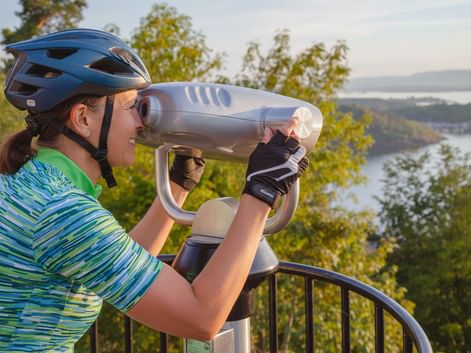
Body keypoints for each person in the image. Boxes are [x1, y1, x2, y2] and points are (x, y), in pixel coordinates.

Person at [0, 29, 308, 352]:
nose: (140, 122)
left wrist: (177, 186)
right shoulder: (63, 212)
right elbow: (201, 318)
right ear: (82, 119)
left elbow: (114, 259)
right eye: (131, 107)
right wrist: (262, 191)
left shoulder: (29, 185)